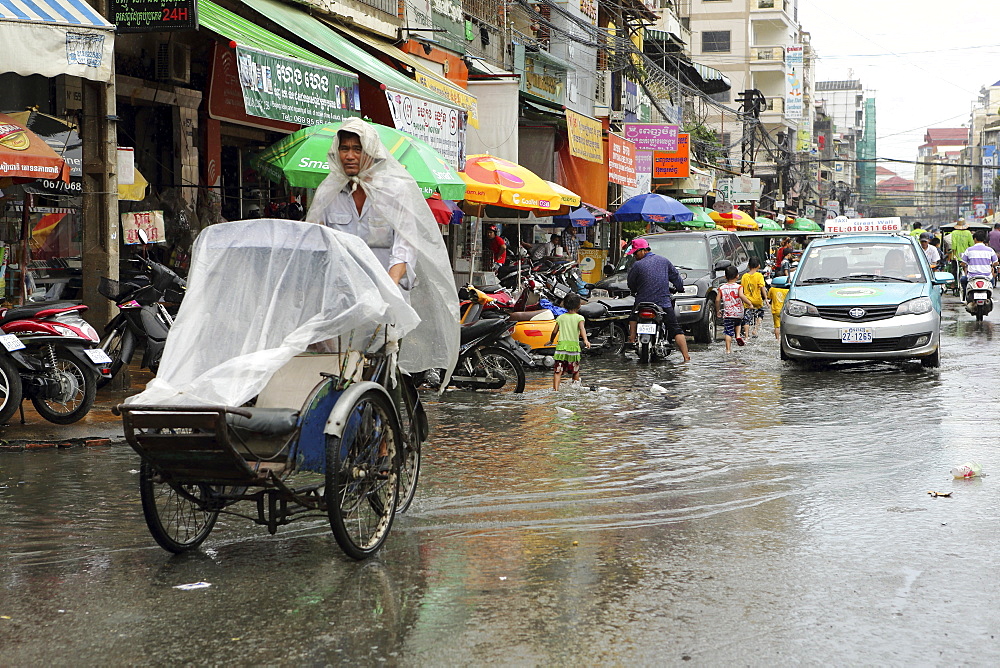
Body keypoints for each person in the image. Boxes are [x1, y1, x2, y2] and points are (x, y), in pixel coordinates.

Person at [305, 117, 460, 380]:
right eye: (345, 149)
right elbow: (317, 246)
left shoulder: (396, 190)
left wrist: (388, 288)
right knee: (339, 372)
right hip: (342, 299)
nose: (350, 156)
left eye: (358, 148)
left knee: (379, 369)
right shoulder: (327, 193)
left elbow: (405, 246)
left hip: (385, 297)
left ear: (371, 151)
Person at [625, 238, 691, 362]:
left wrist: (634, 290)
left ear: (644, 250)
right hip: (663, 303)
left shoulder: (637, 265)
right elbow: (676, 278)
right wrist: (680, 288)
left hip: (641, 302)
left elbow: (631, 283)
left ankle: (632, 339)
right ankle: (686, 358)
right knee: (675, 329)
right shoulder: (664, 261)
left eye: (635, 253)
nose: (634, 256)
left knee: (633, 317)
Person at [545, 292, 590, 390]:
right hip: (573, 348)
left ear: (564, 305)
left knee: (558, 371)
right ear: (579, 305)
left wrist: (551, 340)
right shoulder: (580, 318)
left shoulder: (560, 318)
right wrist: (586, 340)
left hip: (561, 348)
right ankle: (576, 389)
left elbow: (554, 331)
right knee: (575, 371)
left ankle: (555, 390)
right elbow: (582, 329)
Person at [717, 265, 752, 353]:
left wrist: (718, 310)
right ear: (737, 276)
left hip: (728, 313)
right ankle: (738, 335)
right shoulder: (739, 287)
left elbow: (717, 300)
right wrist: (749, 303)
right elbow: (741, 295)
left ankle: (728, 350)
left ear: (725, 277)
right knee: (738, 324)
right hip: (739, 312)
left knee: (728, 332)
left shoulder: (721, 288)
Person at [960, 229, 999, 294]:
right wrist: (992, 265)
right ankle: (990, 296)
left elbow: (963, 263)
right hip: (987, 276)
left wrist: (963, 264)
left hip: (972, 276)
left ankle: (965, 295)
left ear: (975, 239)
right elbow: (996, 262)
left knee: (963, 280)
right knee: (992, 281)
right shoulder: (990, 250)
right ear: (984, 239)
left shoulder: (969, 250)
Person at [740, 256, 767, 337]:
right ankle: (755, 330)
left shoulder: (744, 276)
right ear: (759, 265)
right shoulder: (759, 276)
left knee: (747, 319)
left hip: (747, 301)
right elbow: (762, 287)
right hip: (757, 300)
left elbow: (742, 288)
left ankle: (746, 336)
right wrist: (765, 298)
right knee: (760, 315)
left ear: (748, 265)